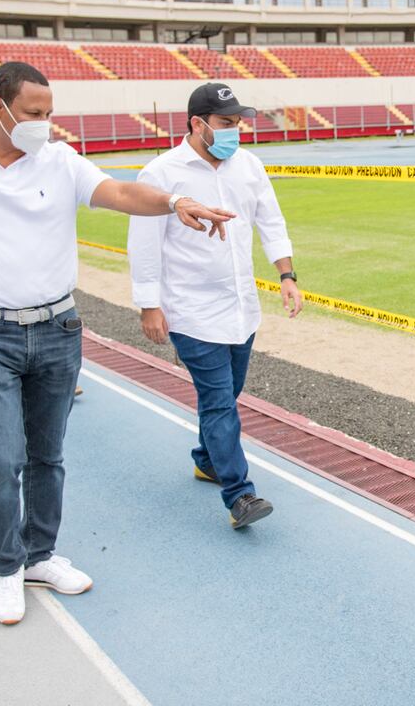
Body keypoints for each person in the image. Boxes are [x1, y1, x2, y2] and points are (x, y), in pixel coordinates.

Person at [0, 62, 235, 626]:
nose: (45, 124)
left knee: (46, 455)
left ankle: (40, 555)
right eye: (34, 114)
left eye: (50, 113)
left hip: (57, 329)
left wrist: (174, 203)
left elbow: (120, 191)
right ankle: (7, 568)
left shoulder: (58, 160)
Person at [128, 83, 302, 531]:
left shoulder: (249, 166)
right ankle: (239, 494)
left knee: (229, 393)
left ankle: (207, 458)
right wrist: (149, 305)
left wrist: (287, 276)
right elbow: (144, 244)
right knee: (219, 399)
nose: (235, 132)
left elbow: (271, 221)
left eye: (238, 123)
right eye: (226, 124)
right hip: (189, 310)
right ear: (197, 124)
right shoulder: (161, 174)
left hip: (241, 306)